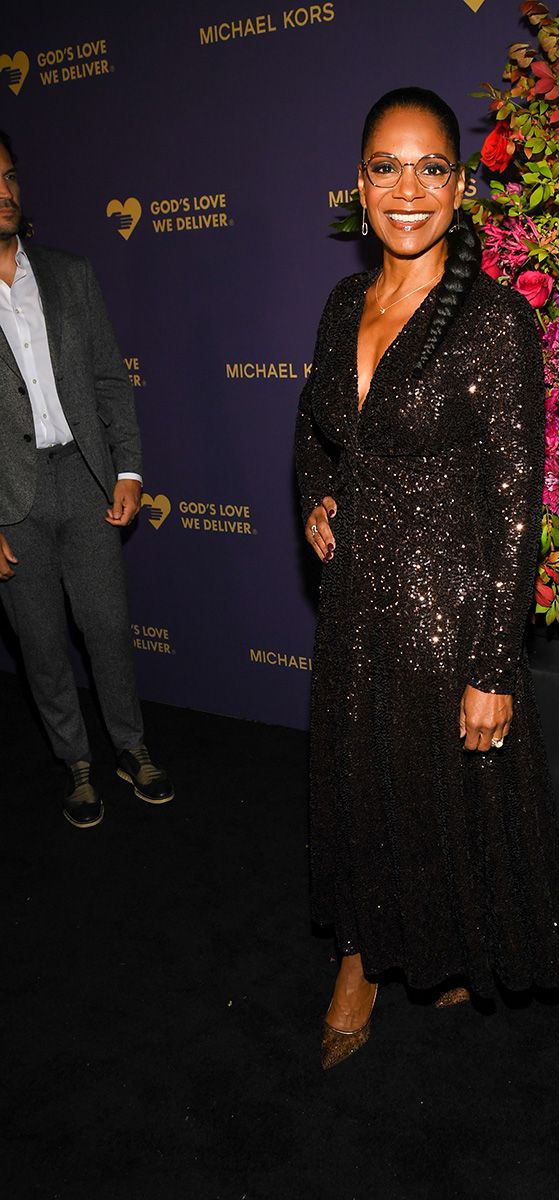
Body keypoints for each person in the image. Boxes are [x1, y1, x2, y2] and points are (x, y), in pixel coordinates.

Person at [295, 88, 559, 1070]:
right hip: (355, 605)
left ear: (460, 187)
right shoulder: (342, 306)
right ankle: (361, 956)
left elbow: (515, 506)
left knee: (444, 799)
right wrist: (318, 497)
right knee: (361, 785)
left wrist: (494, 666)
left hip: (450, 612)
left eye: (430, 168)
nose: (406, 190)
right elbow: (317, 427)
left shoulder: (493, 320)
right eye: (386, 167)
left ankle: (444, 944)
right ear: (358, 182)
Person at [0, 130, 174, 827]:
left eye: (10, 176)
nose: (5, 192)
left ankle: (131, 746)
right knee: (41, 644)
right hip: (8, 503)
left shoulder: (69, 273)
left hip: (83, 477)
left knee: (107, 627)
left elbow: (109, 379)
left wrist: (127, 467)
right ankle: (75, 761)